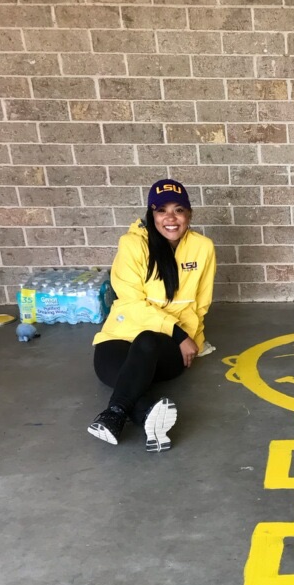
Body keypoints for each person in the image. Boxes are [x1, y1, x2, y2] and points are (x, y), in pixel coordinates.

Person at [87, 178, 216, 452]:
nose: (170, 218)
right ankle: (141, 416)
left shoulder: (203, 247)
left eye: (178, 210)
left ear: (188, 214)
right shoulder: (132, 245)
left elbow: (202, 303)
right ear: (151, 214)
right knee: (113, 367)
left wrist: (188, 337)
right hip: (122, 332)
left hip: (169, 347)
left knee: (147, 341)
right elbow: (131, 303)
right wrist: (177, 332)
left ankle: (115, 412)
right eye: (161, 210)